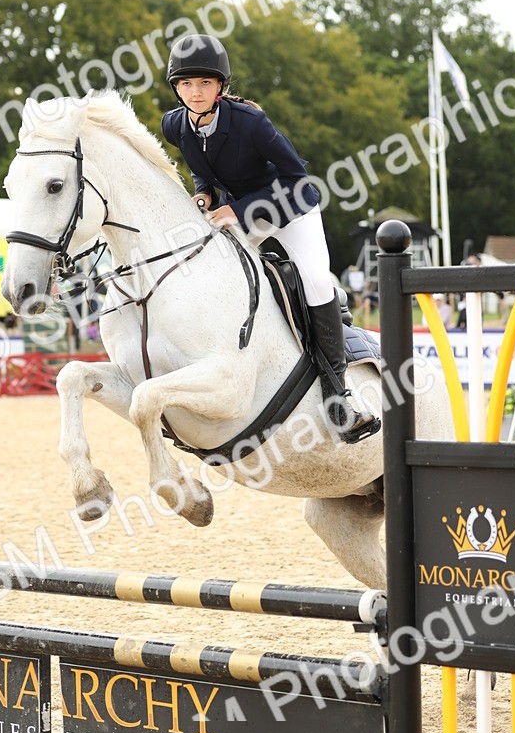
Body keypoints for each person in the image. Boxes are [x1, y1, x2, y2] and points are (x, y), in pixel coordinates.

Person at [161, 33, 380, 443]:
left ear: (220, 87)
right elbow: (202, 168)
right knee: (215, 275)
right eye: (187, 84)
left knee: (315, 279)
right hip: (239, 213)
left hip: (290, 207)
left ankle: (339, 397)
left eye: (204, 83)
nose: (195, 92)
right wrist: (204, 192)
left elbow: (297, 177)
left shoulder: (251, 123)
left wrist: (237, 210)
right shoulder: (175, 125)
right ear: (176, 87)